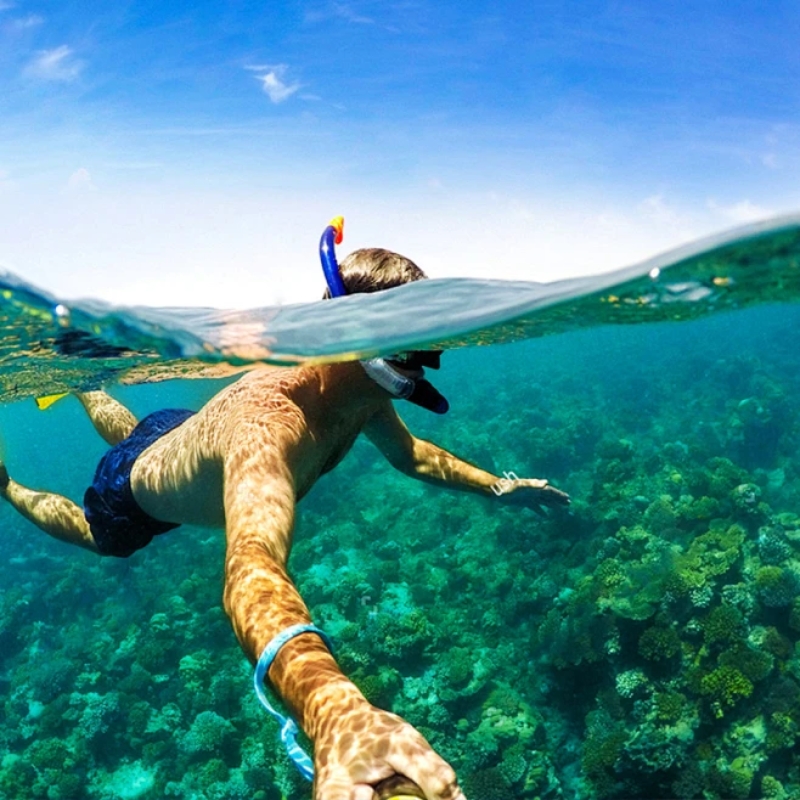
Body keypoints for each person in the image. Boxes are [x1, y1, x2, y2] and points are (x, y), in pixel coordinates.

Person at [0, 224, 569, 800]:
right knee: (102, 536)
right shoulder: (269, 428)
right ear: (356, 335)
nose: (426, 366)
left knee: (138, 437)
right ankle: (6, 484)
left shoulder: (361, 395)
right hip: (133, 497)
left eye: (430, 345)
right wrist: (335, 713)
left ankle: (88, 387)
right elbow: (251, 570)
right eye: (414, 347)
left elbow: (413, 455)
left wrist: (499, 487)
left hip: (175, 435)